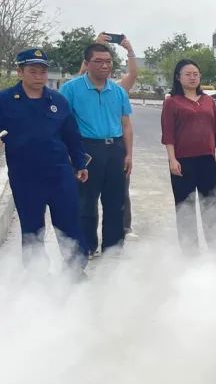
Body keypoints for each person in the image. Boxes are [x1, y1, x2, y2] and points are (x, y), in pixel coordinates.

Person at [0, 49, 89, 275]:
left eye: (43, 71)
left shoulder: (57, 100)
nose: (39, 76)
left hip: (59, 174)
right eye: (33, 71)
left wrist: (80, 163)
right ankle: (36, 274)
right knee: (32, 228)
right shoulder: (5, 100)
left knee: (69, 224)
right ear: (20, 71)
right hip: (25, 177)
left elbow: (72, 135)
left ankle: (75, 271)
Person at [60, 42, 134, 256]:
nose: (105, 66)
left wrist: (129, 154)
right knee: (85, 201)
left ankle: (113, 247)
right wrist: (70, 154)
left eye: (108, 61)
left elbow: (126, 124)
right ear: (87, 63)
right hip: (86, 150)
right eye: (98, 61)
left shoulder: (118, 91)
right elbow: (63, 124)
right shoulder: (71, 89)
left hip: (115, 149)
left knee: (116, 200)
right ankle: (87, 247)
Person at [160, 59, 216, 253]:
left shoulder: (208, 101)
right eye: (188, 74)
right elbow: (168, 134)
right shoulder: (172, 102)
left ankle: (215, 245)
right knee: (185, 205)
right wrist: (172, 159)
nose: (192, 78)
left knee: (211, 203)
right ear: (178, 77)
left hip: (207, 160)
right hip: (182, 162)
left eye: (195, 74)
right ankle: (190, 251)